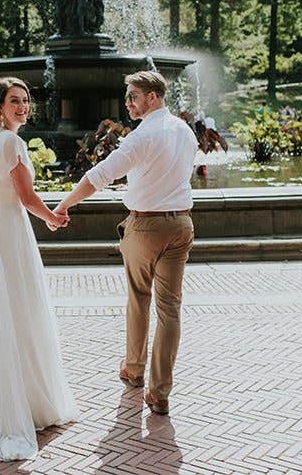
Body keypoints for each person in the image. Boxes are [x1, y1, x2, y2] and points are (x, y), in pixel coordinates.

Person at [54, 71, 197, 416]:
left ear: (153, 97)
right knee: (170, 308)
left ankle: (134, 369)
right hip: (181, 224)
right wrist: (138, 187)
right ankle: (160, 392)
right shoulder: (184, 130)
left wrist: (63, 205)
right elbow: (170, 174)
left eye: (134, 96)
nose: (128, 103)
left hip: (145, 226)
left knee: (138, 298)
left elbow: (98, 176)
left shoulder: (141, 136)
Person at [0, 76, 77, 461]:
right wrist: (53, 218)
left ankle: (8, 398)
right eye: (15, 101)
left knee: (5, 314)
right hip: (9, 234)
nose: (23, 107)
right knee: (23, 311)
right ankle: (27, 406)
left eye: (26, 101)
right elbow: (26, 197)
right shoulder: (11, 142)